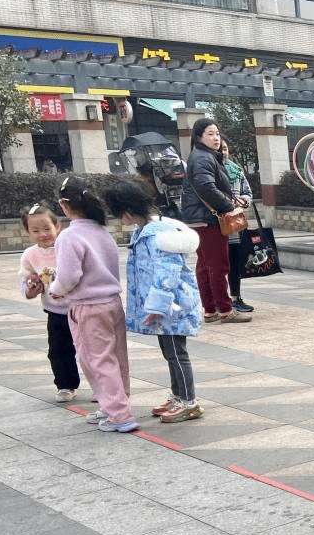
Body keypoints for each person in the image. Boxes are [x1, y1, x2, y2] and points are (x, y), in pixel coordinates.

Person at [104, 180, 205, 424]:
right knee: (170, 352)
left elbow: (166, 274)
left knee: (176, 353)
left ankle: (189, 401)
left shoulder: (158, 235)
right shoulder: (146, 230)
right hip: (164, 307)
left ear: (128, 211)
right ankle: (179, 395)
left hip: (172, 307)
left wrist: (157, 306)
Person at [48, 176, 138, 433]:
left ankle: (118, 414)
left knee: (97, 361)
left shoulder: (69, 236)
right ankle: (116, 405)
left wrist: (55, 290)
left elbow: (68, 277)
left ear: (64, 205)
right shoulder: (101, 232)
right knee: (117, 357)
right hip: (112, 302)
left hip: (87, 307)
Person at [179, 118, 250, 324]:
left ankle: (210, 310)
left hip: (199, 218)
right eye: (210, 134)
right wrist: (228, 207)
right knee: (218, 265)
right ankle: (225, 310)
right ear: (199, 137)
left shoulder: (201, 156)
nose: (216, 138)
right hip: (208, 219)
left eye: (217, 134)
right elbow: (206, 187)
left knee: (205, 265)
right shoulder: (203, 158)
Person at [19, 202, 81, 403]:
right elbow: (26, 282)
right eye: (35, 231)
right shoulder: (30, 255)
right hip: (55, 311)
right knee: (58, 350)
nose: (43, 234)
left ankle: (101, 386)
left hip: (80, 307)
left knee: (90, 349)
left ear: (57, 226)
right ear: (28, 232)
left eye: (47, 228)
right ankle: (65, 385)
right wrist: (31, 288)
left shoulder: (67, 246)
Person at [221, 141, 255, 315]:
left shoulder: (236, 170)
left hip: (235, 225)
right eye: (220, 149)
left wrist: (243, 200)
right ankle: (220, 301)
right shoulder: (209, 171)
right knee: (219, 266)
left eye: (225, 148)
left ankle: (235, 298)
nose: (223, 152)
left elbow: (248, 193)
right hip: (217, 224)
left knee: (235, 263)